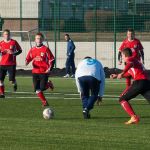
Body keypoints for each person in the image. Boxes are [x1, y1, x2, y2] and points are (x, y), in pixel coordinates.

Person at [111, 48, 150, 125]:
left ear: (124, 55)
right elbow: (129, 74)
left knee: (122, 99)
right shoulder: (136, 61)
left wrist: (122, 73)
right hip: (146, 83)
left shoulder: (130, 59)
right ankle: (133, 117)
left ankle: (133, 117)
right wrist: (117, 75)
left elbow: (129, 64)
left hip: (140, 82)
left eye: (122, 55)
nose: (121, 57)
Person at [26, 33, 55, 107]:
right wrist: (27, 61)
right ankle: (44, 102)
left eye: (40, 38)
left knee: (42, 88)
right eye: (37, 38)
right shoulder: (32, 49)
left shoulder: (45, 49)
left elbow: (52, 59)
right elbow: (28, 58)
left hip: (44, 71)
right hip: (35, 72)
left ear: (43, 40)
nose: (38, 40)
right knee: (36, 89)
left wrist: (50, 69)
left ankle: (48, 84)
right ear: (35, 40)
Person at [118, 28, 145, 96]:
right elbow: (120, 51)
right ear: (127, 35)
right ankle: (128, 90)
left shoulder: (137, 42)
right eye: (129, 34)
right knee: (128, 77)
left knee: (137, 77)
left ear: (134, 34)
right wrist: (119, 60)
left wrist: (143, 60)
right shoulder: (125, 42)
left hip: (136, 63)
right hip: (128, 63)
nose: (130, 35)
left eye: (132, 34)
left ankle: (137, 89)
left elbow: (141, 51)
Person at [0, 29, 22, 98]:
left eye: (8, 34)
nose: (7, 35)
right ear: (3, 35)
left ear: (10, 35)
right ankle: (2, 94)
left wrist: (14, 53)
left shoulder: (14, 42)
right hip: (2, 64)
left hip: (11, 64)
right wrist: (1, 53)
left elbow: (20, 50)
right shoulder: (1, 43)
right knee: (0, 80)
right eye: (6, 34)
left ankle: (14, 83)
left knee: (11, 81)